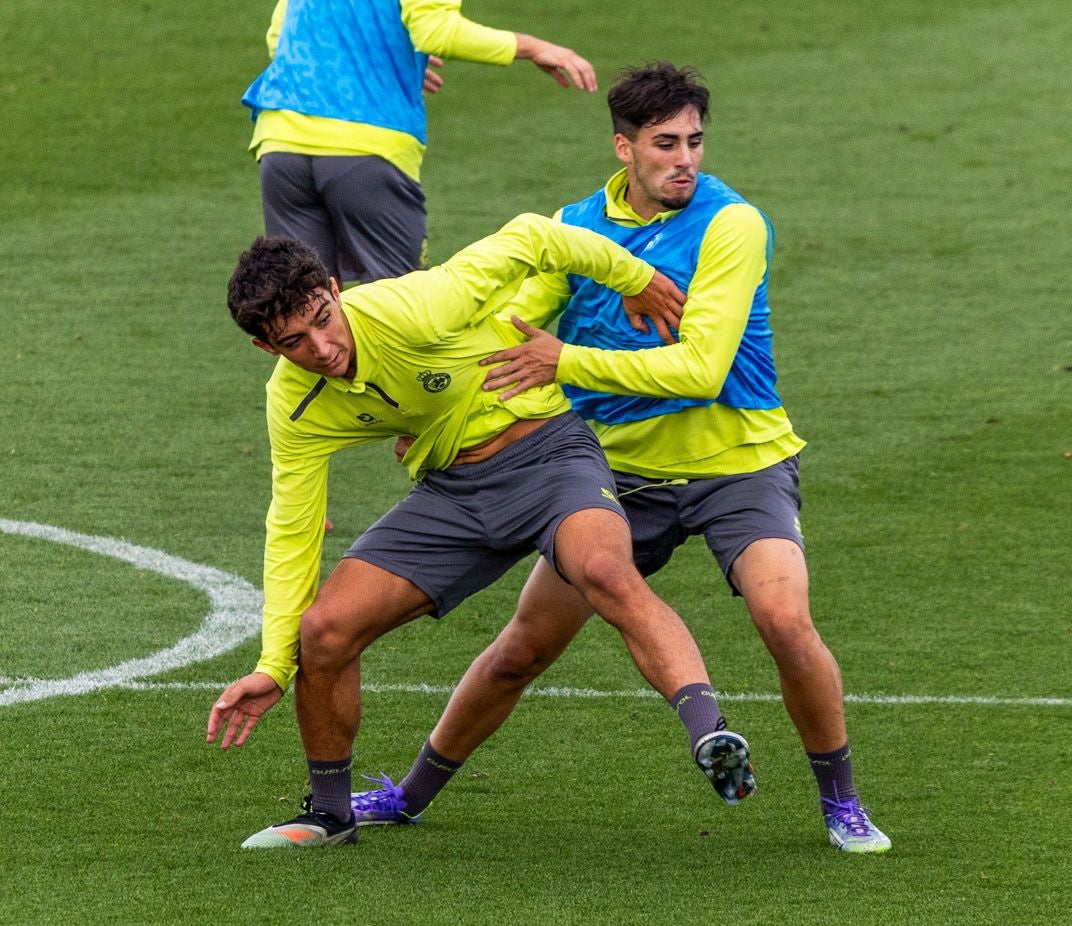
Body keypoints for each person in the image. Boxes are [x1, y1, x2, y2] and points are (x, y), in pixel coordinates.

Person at [351, 62, 892, 853]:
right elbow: (503, 334)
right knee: (523, 649)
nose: (685, 160)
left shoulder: (731, 224)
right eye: (665, 144)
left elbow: (701, 367)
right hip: (615, 477)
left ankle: (841, 804)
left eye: (695, 143)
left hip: (737, 461)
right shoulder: (575, 225)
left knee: (783, 618)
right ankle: (408, 795)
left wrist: (565, 361)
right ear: (623, 147)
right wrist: (430, 405)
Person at [206, 212, 756, 850]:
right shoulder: (294, 404)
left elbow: (531, 235)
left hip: (549, 456)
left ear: (334, 288)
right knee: (323, 634)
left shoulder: (412, 307)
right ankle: (330, 815)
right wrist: (274, 666)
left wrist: (634, 278)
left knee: (604, 570)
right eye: (295, 341)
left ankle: (710, 734)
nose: (322, 348)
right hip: (454, 495)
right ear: (266, 348)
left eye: (323, 318)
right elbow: (292, 531)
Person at [243, 0, 597, 284]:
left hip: (281, 145)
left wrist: (384, 60)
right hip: (367, 146)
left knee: (302, 307)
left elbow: (282, 38)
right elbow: (436, 31)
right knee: (400, 311)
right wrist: (531, 46)